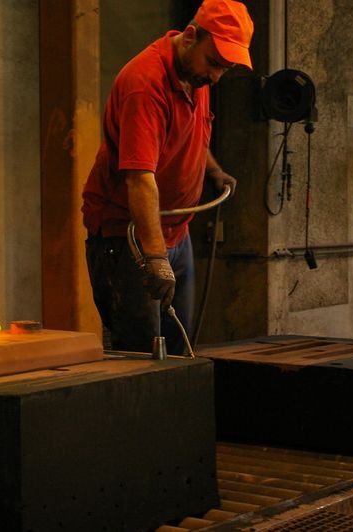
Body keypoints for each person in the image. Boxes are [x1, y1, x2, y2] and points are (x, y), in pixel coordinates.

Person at [81, 0, 254, 355]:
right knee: (141, 356)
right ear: (190, 36)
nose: (216, 77)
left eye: (225, 69)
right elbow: (139, 177)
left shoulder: (196, 76)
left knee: (177, 347)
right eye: (214, 64)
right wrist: (155, 257)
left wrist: (214, 169)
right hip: (128, 237)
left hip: (176, 232)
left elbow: (192, 133)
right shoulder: (145, 85)